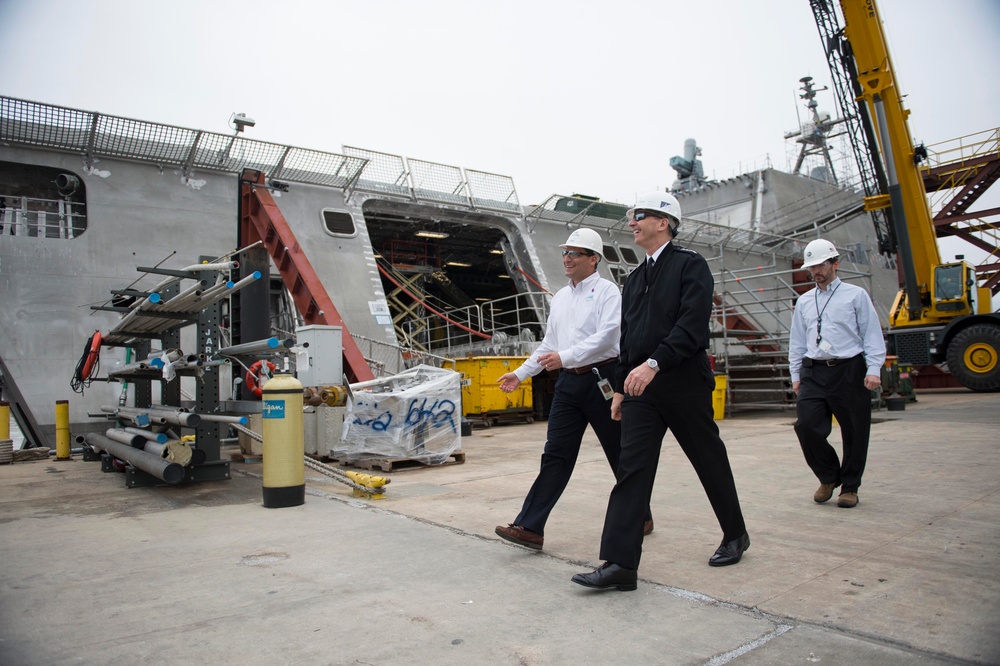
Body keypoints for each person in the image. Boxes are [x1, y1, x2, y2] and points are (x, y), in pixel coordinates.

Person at [572, 192, 749, 592]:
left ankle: (736, 534)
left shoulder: (691, 266)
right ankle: (620, 564)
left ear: (664, 222)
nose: (632, 223)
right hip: (639, 388)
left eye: (639, 216)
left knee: (708, 460)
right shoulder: (634, 280)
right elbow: (628, 339)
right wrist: (619, 388)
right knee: (631, 469)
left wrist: (654, 363)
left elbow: (690, 328)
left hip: (681, 381)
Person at [495, 228, 652, 551]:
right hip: (568, 383)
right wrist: (522, 373)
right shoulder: (562, 297)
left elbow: (609, 337)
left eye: (574, 253)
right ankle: (530, 526)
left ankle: (641, 515)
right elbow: (550, 343)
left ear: (593, 259)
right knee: (555, 454)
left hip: (603, 380)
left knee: (619, 451)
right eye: (565, 252)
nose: (567, 258)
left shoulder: (609, 293)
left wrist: (564, 356)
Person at [788, 239, 886, 509]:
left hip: (848, 369)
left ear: (835, 264)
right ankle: (829, 476)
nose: (816, 271)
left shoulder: (855, 296)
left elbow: (871, 334)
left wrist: (874, 368)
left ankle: (850, 487)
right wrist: (795, 375)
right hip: (813, 370)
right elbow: (797, 341)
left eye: (821, 265)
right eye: (812, 267)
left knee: (855, 430)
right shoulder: (805, 301)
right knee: (806, 425)